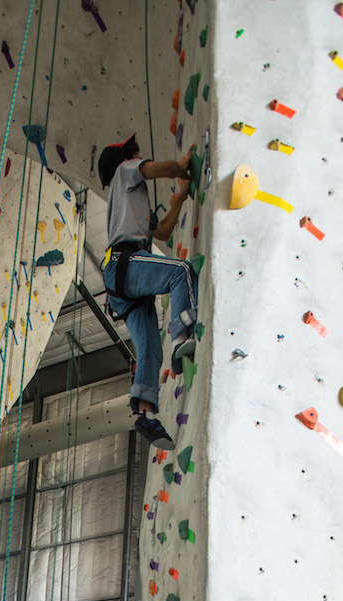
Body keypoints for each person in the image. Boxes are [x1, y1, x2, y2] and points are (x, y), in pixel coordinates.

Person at [98, 133, 198, 451]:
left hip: (122, 286)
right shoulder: (125, 171)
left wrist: (181, 196)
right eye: (133, 152)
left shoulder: (132, 206)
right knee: (180, 272)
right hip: (124, 263)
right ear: (125, 157)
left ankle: (146, 413)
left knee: (151, 351)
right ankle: (182, 335)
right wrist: (182, 167)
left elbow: (164, 231)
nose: (138, 155)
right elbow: (160, 169)